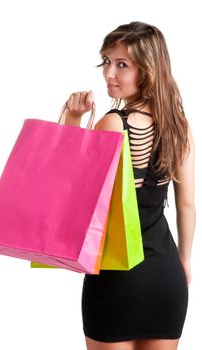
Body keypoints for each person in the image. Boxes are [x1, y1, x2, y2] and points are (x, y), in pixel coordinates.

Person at [64, 21, 196, 350]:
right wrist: (185, 262)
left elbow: (74, 195)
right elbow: (187, 204)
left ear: (148, 70)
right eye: (106, 61)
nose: (109, 73)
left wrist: (71, 121)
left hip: (117, 277)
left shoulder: (112, 123)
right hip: (167, 278)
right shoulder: (180, 128)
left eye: (122, 64)